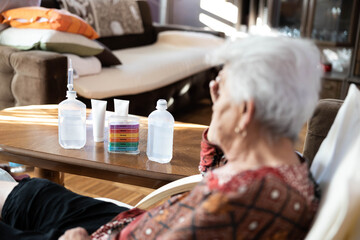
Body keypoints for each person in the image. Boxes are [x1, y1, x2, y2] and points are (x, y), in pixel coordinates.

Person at [0, 36, 322, 240]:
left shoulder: (248, 198)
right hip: (131, 221)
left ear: (246, 111)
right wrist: (225, 118)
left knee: (29, 201)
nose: (213, 94)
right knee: (36, 194)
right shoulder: (283, 163)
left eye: (221, 89)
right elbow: (214, 172)